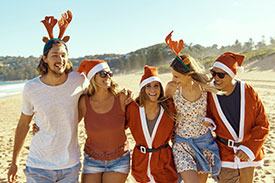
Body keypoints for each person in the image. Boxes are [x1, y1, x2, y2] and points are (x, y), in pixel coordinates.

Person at [7, 11, 89, 183]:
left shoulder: (79, 80)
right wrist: (14, 161)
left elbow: (97, 98)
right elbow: (23, 124)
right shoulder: (31, 88)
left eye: (63, 55)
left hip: (70, 165)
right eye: (54, 55)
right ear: (44, 58)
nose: (60, 59)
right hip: (38, 166)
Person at [165, 31, 221, 183]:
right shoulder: (172, 89)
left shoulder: (205, 87)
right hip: (182, 144)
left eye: (176, 76)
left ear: (189, 75)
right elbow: (166, 113)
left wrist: (212, 121)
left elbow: (219, 106)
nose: (173, 79)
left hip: (204, 141)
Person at [206, 52, 270, 183]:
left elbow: (262, 124)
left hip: (247, 151)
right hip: (224, 153)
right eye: (213, 73)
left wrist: (249, 148)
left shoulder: (248, 91)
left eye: (221, 75)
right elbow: (206, 113)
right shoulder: (210, 93)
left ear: (232, 74)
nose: (215, 78)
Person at [77, 59, 131, 183]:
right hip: (92, 160)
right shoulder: (83, 102)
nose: (107, 77)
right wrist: (40, 125)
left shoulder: (121, 98)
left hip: (119, 159)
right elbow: (69, 123)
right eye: (102, 74)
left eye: (109, 73)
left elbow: (138, 119)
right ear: (92, 77)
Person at [126, 65, 178, 183]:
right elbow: (119, 127)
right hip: (140, 164)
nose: (153, 90)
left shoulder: (169, 107)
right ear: (142, 89)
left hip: (164, 164)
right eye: (148, 86)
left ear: (160, 88)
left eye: (156, 86)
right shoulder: (132, 108)